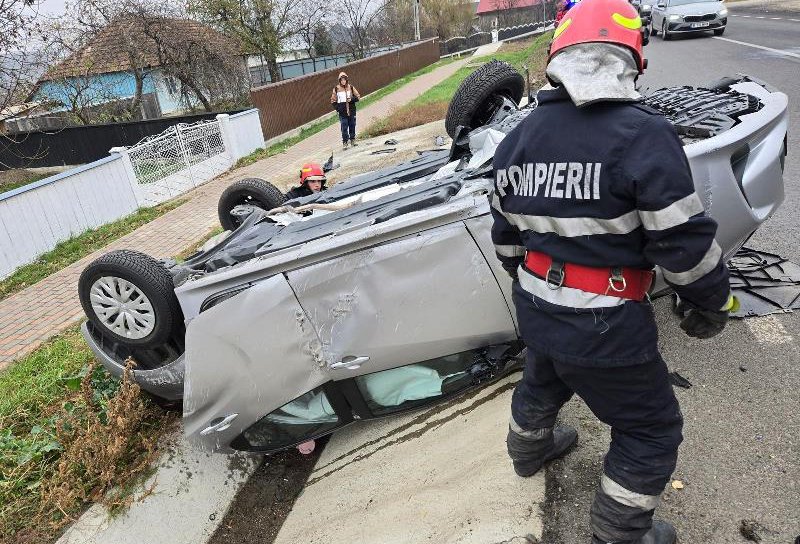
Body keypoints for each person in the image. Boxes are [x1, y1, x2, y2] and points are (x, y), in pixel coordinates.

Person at [490, 1, 736, 543]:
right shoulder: (642, 136)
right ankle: (620, 532)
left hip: (536, 303)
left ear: (557, 56)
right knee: (650, 429)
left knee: (546, 372)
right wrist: (711, 302)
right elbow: (683, 244)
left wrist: (534, 290)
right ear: (632, 59)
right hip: (605, 322)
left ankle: (528, 448)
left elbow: (506, 239)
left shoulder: (517, 139)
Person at [330, 72, 361, 149]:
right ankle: (345, 142)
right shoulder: (336, 89)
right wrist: (338, 109)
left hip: (351, 110)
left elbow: (358, 97)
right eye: (342, 80)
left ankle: (353, 140)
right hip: (342, 112)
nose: (343, 81)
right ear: (339, 81)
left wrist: (352, 99)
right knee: (344, 127)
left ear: (347, 80)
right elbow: (333, 101)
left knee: (352, 125)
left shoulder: (351, 87)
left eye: (344, 80)